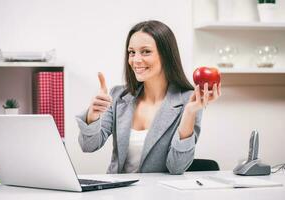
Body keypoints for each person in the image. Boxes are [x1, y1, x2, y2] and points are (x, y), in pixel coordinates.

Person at [76, 20, 221, 175]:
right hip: (118, 192)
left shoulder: (189, 101)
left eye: (145, 51)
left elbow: (176, 167)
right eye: (132, 52)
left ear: (166, 55)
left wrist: (190, 113)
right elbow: (89, 145)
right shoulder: (118, 96)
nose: (136, 60)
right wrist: (92, 115)